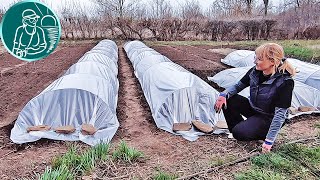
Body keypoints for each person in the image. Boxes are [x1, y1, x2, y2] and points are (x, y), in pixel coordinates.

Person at [214, 43, 296, 153]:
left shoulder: (285, 82)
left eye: (259, 59)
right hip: (255, 109)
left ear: (272, 61)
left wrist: (269, 141)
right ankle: (241, 131)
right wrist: (223, 95)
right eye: (255, 57)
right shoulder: (255, 72)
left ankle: (255, 133)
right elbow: (238, 86)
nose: (255, 61)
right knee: (229, 99)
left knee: (239, 132)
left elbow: (280, 114)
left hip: (269, 118)